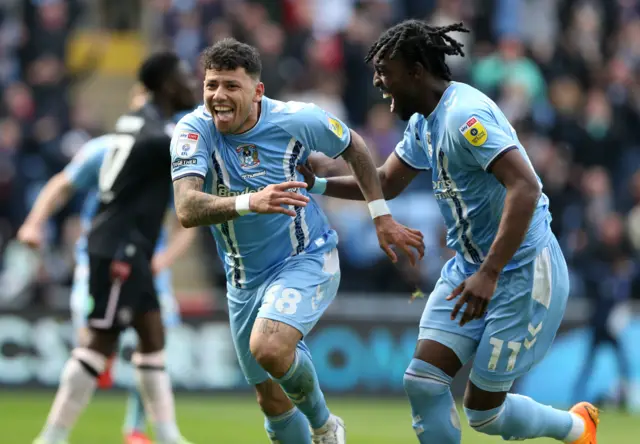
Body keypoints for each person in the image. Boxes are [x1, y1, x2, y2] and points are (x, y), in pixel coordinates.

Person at [299, 20, 599, 444]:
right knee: (422, 382)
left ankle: (576, 429)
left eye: (386, 70)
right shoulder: (425, 122)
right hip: (470, 267)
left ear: (417, 71)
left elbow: (526, 186)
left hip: (523, 272)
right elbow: (385, 182)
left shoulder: (465, 116)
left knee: (484, 412)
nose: (378, 81)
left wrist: (491, 273)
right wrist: (317, 184)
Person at [170, 38, 424, 444]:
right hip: (243, 279)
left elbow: (354, 146)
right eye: (211, 85)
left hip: (305, 257)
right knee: (270, 398)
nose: (218, 96)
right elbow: (186, 208)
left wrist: (380, 215)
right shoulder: (193, 130)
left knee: (269, 347)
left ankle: (325, 425)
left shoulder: (296, 119)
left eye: (231, 86)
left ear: (257, 92)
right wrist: (253, 201)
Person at [31, 51, 198, 444]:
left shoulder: (132, 127)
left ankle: (168, 435)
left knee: (153, 338)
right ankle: (51, 438)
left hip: (129, 248)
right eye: (184, 78)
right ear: (166, 85)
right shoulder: (162, 137)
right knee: (98, 345)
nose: (191, 85)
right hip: (119, 249)